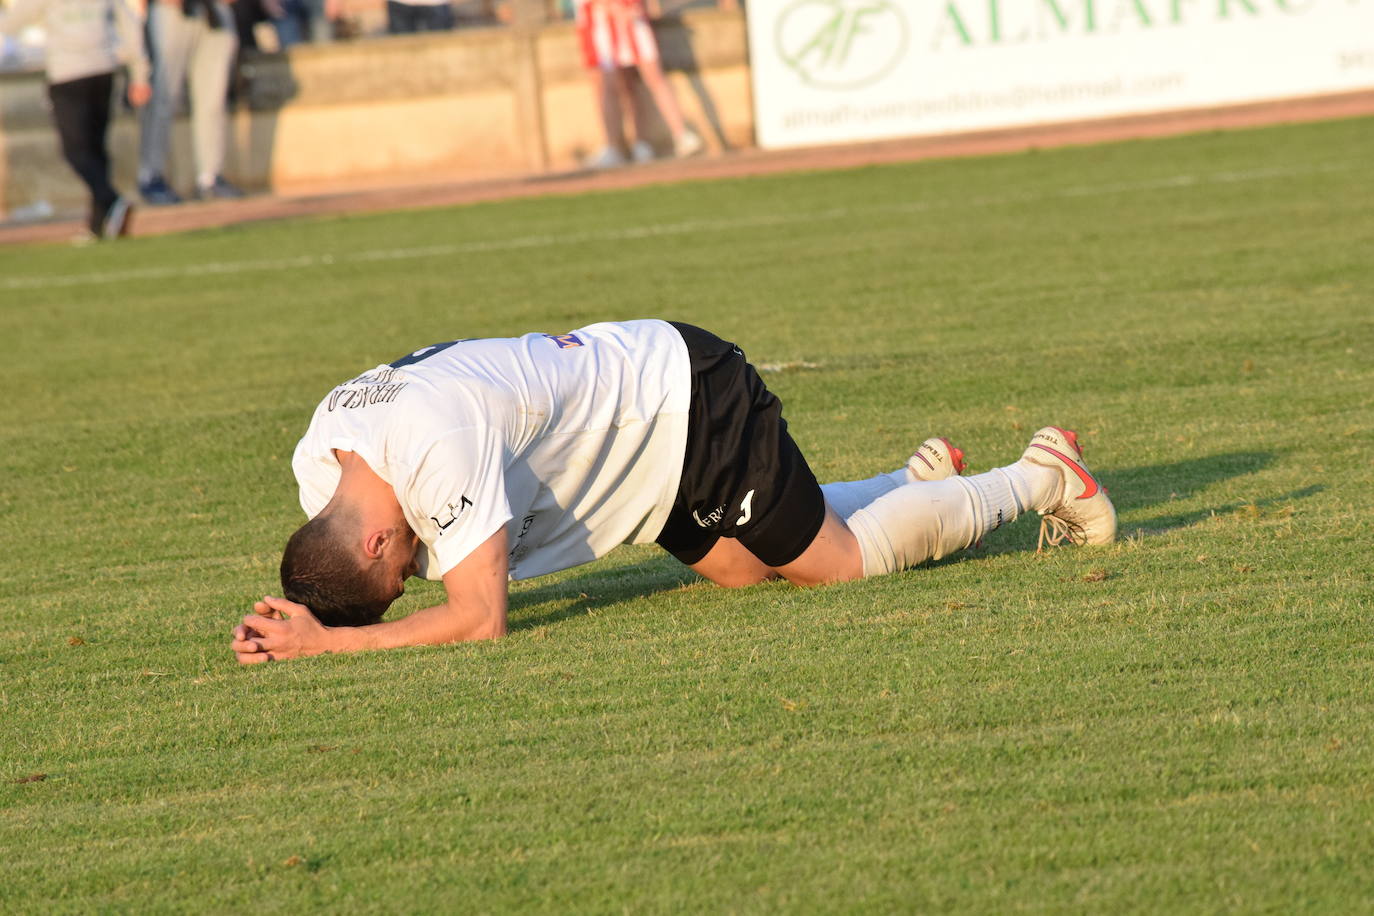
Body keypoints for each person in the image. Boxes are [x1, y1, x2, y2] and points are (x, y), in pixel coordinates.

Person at [231, 320, 1116, 664]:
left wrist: (326, 649)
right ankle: (910, 485)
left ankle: (1039, 478)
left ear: (378, 543)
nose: (413, 567)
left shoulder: (433, 444)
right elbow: (345, 563)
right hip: (642, 463)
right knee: (743, 572)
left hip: (683, 402)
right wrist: (312, 611)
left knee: (835, 567)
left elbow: (479, 617)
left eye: (398, 574)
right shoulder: (325, 456)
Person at [0, 0, 151, 238]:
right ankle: (100, 224)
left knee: (75, 151)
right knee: (95, 151)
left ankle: (111, 199)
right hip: (103, 70)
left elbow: (11, 23)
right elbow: (130, 28)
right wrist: (140, 74)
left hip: (67, 74)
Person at [137, 0, 244, 204]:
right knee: (163, 98)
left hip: (214, 11)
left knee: (213, 101)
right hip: (171, 10)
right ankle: (151, 176)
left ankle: (210, 176)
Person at [575, 0, 703, 168]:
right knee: (608, 86)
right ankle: (614, 147)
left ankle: (676, 136)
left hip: (633, 19)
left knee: (649, 79)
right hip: (601, 23)